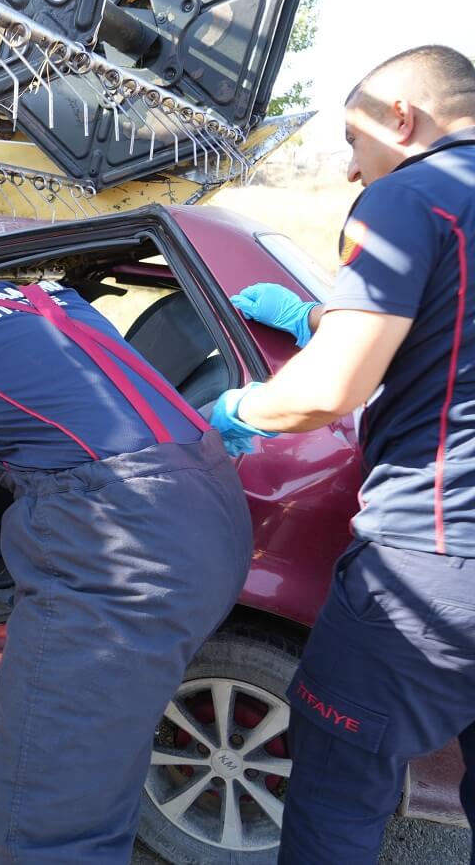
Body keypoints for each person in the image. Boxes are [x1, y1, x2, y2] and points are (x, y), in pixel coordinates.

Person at [0, 199, 253, 864]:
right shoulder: (60, 303)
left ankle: (33, 837)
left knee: (43, 809)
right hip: (213, 507)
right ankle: (43, 824)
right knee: (105, 732)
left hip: (122, 546)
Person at [208, 45, 475, 863]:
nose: (354, 173)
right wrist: (312, 317)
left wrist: (230, 412)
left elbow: (330, 392)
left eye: (354, 143)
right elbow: (440, 326)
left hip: (434, 560)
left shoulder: (414, 198)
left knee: (336, 789)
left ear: (404, 118)